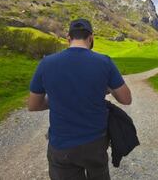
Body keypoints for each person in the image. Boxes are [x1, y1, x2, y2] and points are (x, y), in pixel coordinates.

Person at [28, 18, 132, 180]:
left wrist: (58, 98)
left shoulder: (46, 63)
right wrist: (101, 91)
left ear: (68, 38)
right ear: (91, 38)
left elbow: (33, 105)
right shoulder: (104, 62)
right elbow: (126, 99)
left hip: (61, 143)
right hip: (95, 142)